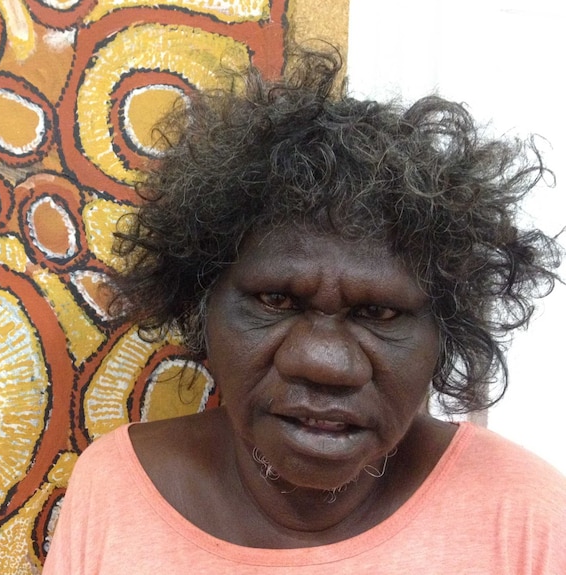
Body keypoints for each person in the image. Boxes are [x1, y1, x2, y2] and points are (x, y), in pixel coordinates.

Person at [42, 50, 566, 573]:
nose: (323, 363)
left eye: (379, 312)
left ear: (445, 335)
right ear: (201, 306)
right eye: (276, 301)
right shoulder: (116, 488)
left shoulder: (526, 516)